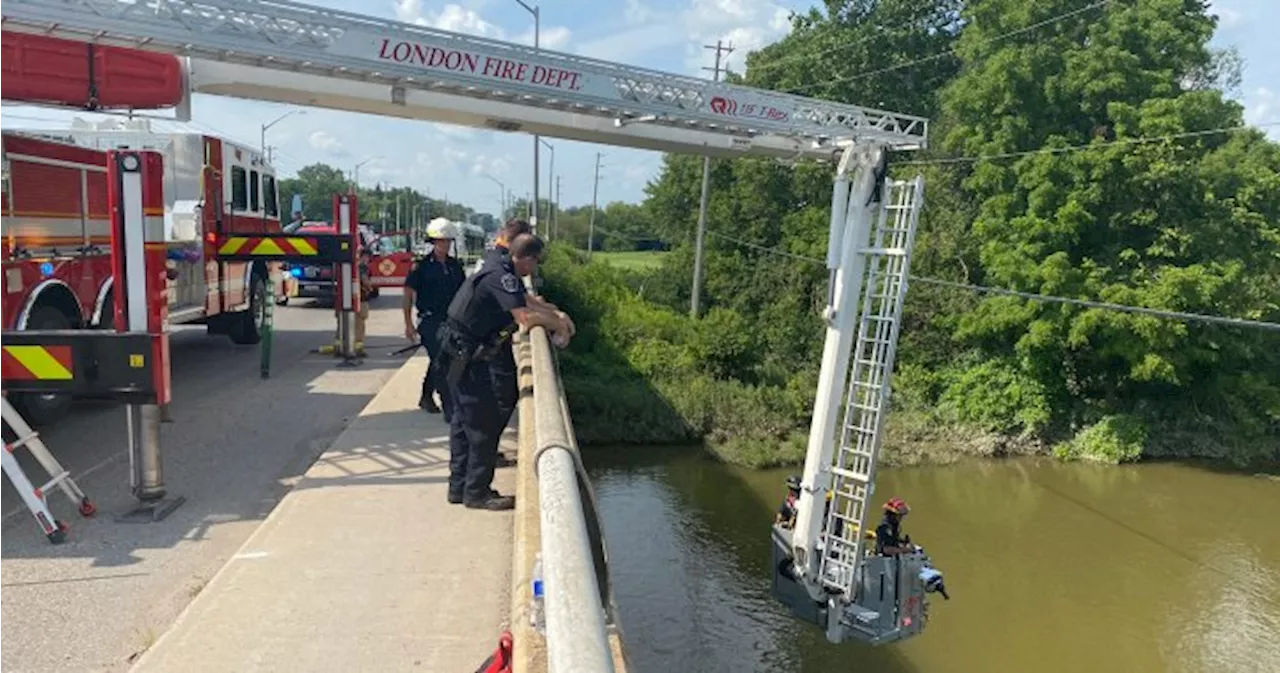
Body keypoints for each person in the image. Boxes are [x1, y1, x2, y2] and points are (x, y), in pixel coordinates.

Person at [439, 234, 573, 510]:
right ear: (526, 258)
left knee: (464, 424)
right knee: (482, 425)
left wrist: (555, 315)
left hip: (459, 353)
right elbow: (523, 317)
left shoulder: (497, 267)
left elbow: (523, 300)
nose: (533, 270)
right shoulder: (501, 275)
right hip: (468, 358)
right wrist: (558, 325)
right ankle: (477, 493)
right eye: (535, 263)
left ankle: (459, 487)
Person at [404, 220, 465, 413]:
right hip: (429, 320)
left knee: (443, 358)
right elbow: (407, 295)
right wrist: (408, 324)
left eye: (447, 241)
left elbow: (463, 294)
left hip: (450, 320)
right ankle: (449, 404)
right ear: (433, 242)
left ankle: (426, 395)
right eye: (440, 241)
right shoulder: (420, 267)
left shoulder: (455, 266)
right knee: (440, 358)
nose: (444, 245)